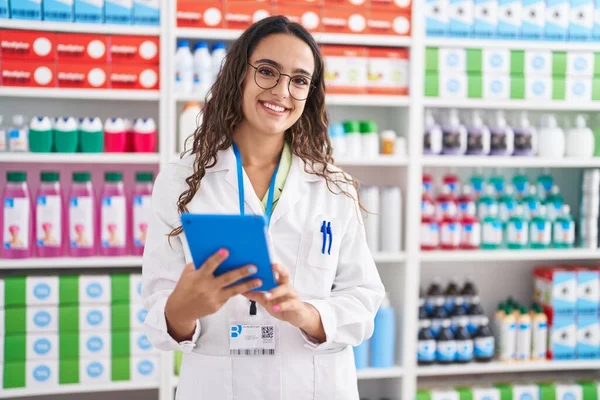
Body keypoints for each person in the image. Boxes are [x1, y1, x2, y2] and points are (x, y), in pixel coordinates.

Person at [142, 15, 385, 400]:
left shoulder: (332, 186)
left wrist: (306, 314)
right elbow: (157, 311)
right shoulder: (180, 182)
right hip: (219, 386)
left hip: (314, 385)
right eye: (268, 71)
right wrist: (182, 310)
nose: (282, 91)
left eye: (300, 80)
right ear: (240, 74)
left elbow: (363, 299)